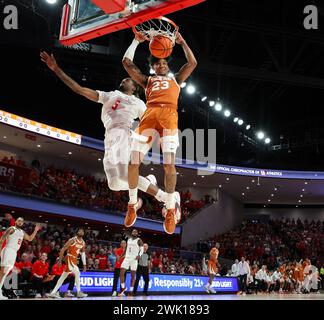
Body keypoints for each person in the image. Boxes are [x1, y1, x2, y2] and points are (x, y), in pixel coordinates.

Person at [40, 51, 171, 225]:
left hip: (124, 134)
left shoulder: (138, 103)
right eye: (125, 79)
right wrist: (56, 69)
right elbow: (79, 89)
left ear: (134, 88)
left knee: (125, 173)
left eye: (129, 79)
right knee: (114, 184)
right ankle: (145, 182)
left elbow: (151, 121)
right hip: (109, 137)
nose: (126, 79)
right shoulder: (109, 95)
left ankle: (163, 197)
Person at [122, 31, 197, 234]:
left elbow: (192, 64)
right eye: (157, 63)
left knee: (169, 165)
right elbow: (127, 63)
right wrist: (136, 41)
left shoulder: (176, 79)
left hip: (169, 117)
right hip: (150, 114)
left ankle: (171, 208)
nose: (161, 65)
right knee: (133, 163)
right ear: (153, 66)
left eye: (164, 63)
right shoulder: (147, 81)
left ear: (168, 65)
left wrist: (182, 43)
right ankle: (131, 204)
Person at [0, 217, 41, 300]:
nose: (20, 222)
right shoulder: (12, 229)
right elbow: (2, 239)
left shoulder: (22, 232)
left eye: (22, 221)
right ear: (15, 221)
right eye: (19, 220)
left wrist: (35, 230)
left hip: (14, 252)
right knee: (3, 271)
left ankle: (0, 291)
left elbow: (30, 238)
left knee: (6, 272)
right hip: (8, 250)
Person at [48, 228, 87, 299]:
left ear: (83, 233)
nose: (81, 232)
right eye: (79, 231)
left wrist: (84, 264)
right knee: (77, 273)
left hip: (75, 259)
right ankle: (79, 292)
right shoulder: (72, 240)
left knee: (63, 277)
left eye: (82, 231)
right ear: (77, 232)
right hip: (69, 258)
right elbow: (63, 249)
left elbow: (83, 254)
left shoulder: (83, 243)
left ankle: (53, 293)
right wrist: (60, 260)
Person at [118, 229, 143, 297]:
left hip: (134, 259)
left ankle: (131, 291)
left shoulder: (139, 240)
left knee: (132, 276)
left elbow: (142, 249)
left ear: (137, 233)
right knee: (121, 273)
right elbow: (126, 250)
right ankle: (123, 287)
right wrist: (120, 257)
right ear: (132, 233)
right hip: (127, 258)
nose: (134, 232)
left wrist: (139, 255)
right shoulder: (129, 239)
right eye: (133, 231)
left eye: (135, 232)